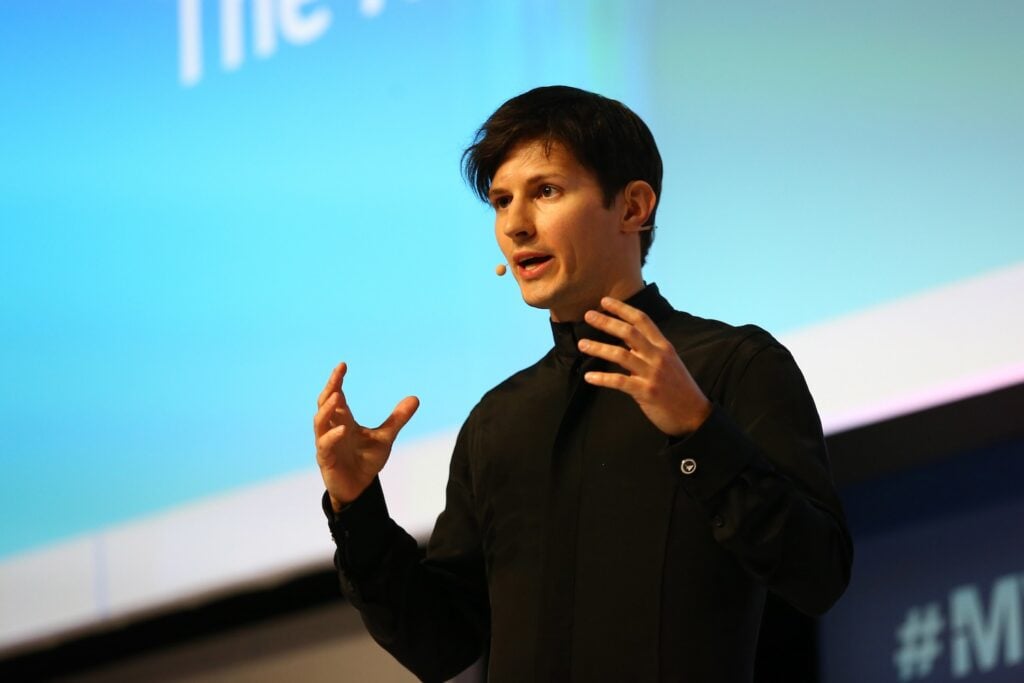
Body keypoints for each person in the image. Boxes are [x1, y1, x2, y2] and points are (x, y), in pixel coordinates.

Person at [313, 85, 853, 683]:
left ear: (632, 207)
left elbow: (818, 573)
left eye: (546, 192)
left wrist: (698, 429)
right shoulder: (499, 421)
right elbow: (441, 643)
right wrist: (356, 506)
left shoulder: (733, 366)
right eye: (500, 200)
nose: (515, 225)